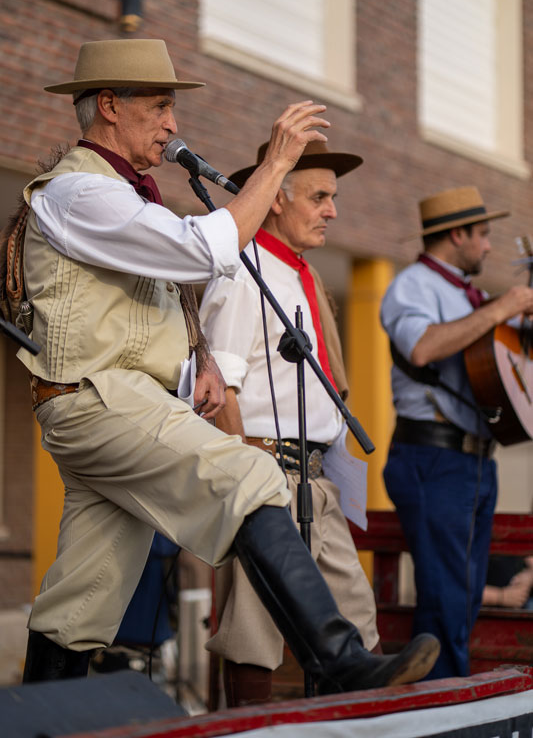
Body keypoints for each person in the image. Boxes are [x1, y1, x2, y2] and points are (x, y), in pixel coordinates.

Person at [16, 38, 440, 693]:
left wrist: (203, 356)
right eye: (160, 106)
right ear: (109, 105)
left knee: (83, 597)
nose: (172, 124)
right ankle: (337, 660)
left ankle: (39, 718)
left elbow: (156, 295)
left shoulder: (121, 197)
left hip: (110, 401)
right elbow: (199, 249)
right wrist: (276, 163)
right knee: (251, 474)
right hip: (101, 398)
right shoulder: (80, 191)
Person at [200, 140, 382, 707]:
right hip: (265, 473)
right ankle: (245, 729)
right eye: (319, 197)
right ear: (276, 199)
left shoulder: (304, 277)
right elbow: (219, 384)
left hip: (317, 478)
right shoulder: (242, 270)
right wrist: (245, 478)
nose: (332, 210)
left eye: (333, 197)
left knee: (358, 622)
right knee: (253, 630)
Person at [380, 186, 533, 680]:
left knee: (462, 598)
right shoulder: (413, 286)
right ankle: (443, 706)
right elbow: (422, 348)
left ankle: (445, 699)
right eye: (483, 234)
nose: (488, 246)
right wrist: (500, 309)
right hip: (433, 457)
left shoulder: (471, 296)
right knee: (446, 597)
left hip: (472, 460)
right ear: (458, 234)